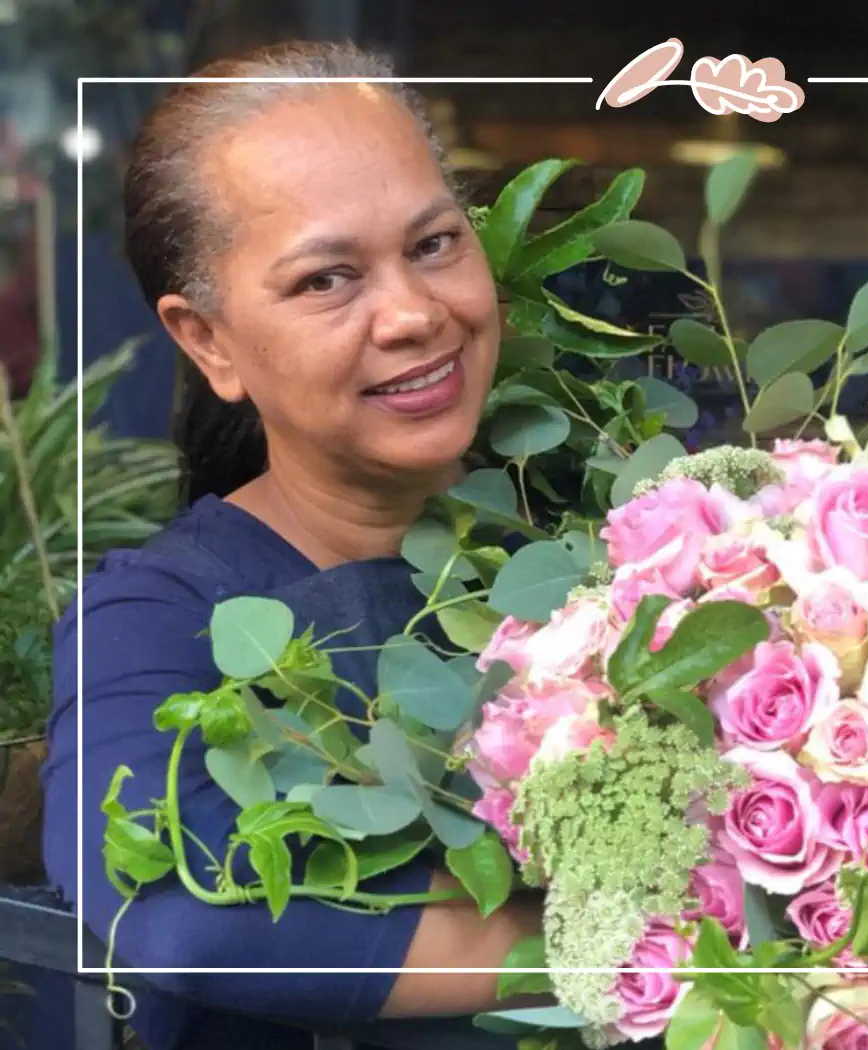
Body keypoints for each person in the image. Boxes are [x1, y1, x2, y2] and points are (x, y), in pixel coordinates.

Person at [41, 40, 539, 1050]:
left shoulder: (619, 539)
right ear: (208, 341)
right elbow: (175, 910)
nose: (412, 314)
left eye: (435, 243)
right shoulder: (153, 620)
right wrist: (665, 942)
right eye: (325, 280)